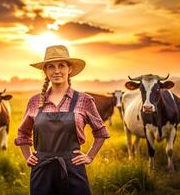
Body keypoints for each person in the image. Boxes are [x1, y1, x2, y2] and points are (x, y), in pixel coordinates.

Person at [14, 45, 109, 195]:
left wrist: (89, 156)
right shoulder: (34, 102)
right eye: (51, 66)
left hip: (72, 168)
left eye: (61, 66)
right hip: (42, 171)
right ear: (45, 71)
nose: (56, 71)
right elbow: (22, 134)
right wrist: (28, 156)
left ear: (69, 69)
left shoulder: (84, 100)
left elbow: (101, 132)